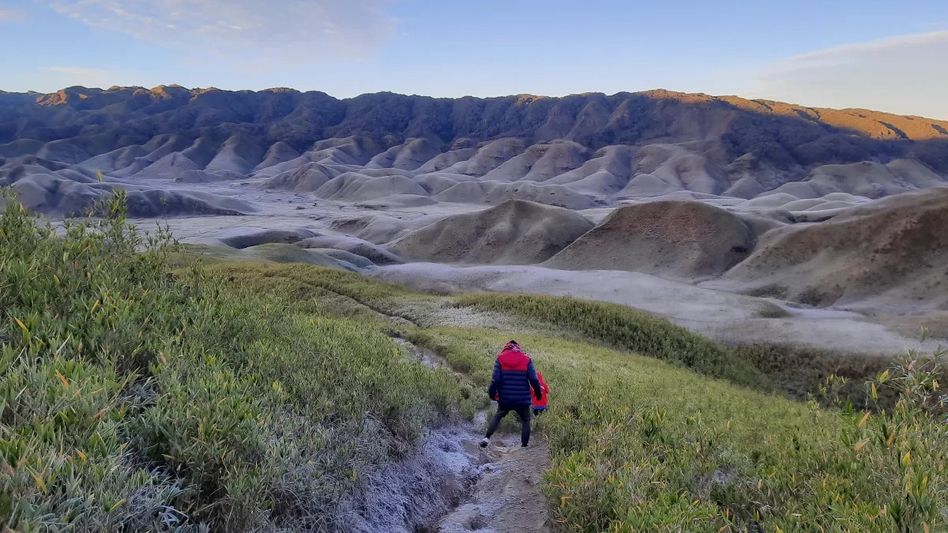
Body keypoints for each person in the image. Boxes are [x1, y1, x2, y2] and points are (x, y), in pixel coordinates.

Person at [480, 340, 543, 448]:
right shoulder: (526, 359)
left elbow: (495, 380)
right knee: (526, 420)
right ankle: (524, 446)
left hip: (505, 398)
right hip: (522, 400)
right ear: (518, 348)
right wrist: (538, 394)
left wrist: (492, 395)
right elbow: (533, 379)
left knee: (498, 415)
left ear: (506, 348)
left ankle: (486, 438)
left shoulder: (500, 358)